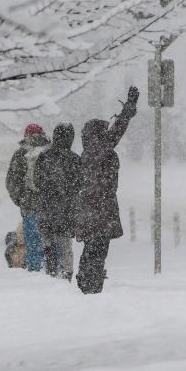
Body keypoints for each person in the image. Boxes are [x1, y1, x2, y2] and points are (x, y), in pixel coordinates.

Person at [75, 86, 138, 294]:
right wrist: (128, 110)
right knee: (98, 250)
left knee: (91, 249)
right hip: (101, 211)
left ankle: (86, 282)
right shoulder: (100, 150)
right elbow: (117, 131)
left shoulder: (88, 153)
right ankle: (91, 285)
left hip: (89, 211)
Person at [35, 122, 81, 281]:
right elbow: (79, 184)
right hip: (66, 210)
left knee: (47, 241)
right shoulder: (74, 159)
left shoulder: (44, 157)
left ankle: (51, 269)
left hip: (46, 207)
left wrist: (49, 192)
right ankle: (66, 273)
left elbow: (37, 181)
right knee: (65, 244)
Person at [6, 123, 50, 272]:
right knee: (51, 241)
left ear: (26, 136)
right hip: (50, 207)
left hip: (29, 206)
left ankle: (35, 270)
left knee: (32, 242)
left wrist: (20, 200)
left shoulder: (20, 154)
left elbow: (11, 182)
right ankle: (52, 271)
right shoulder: (50, 152)